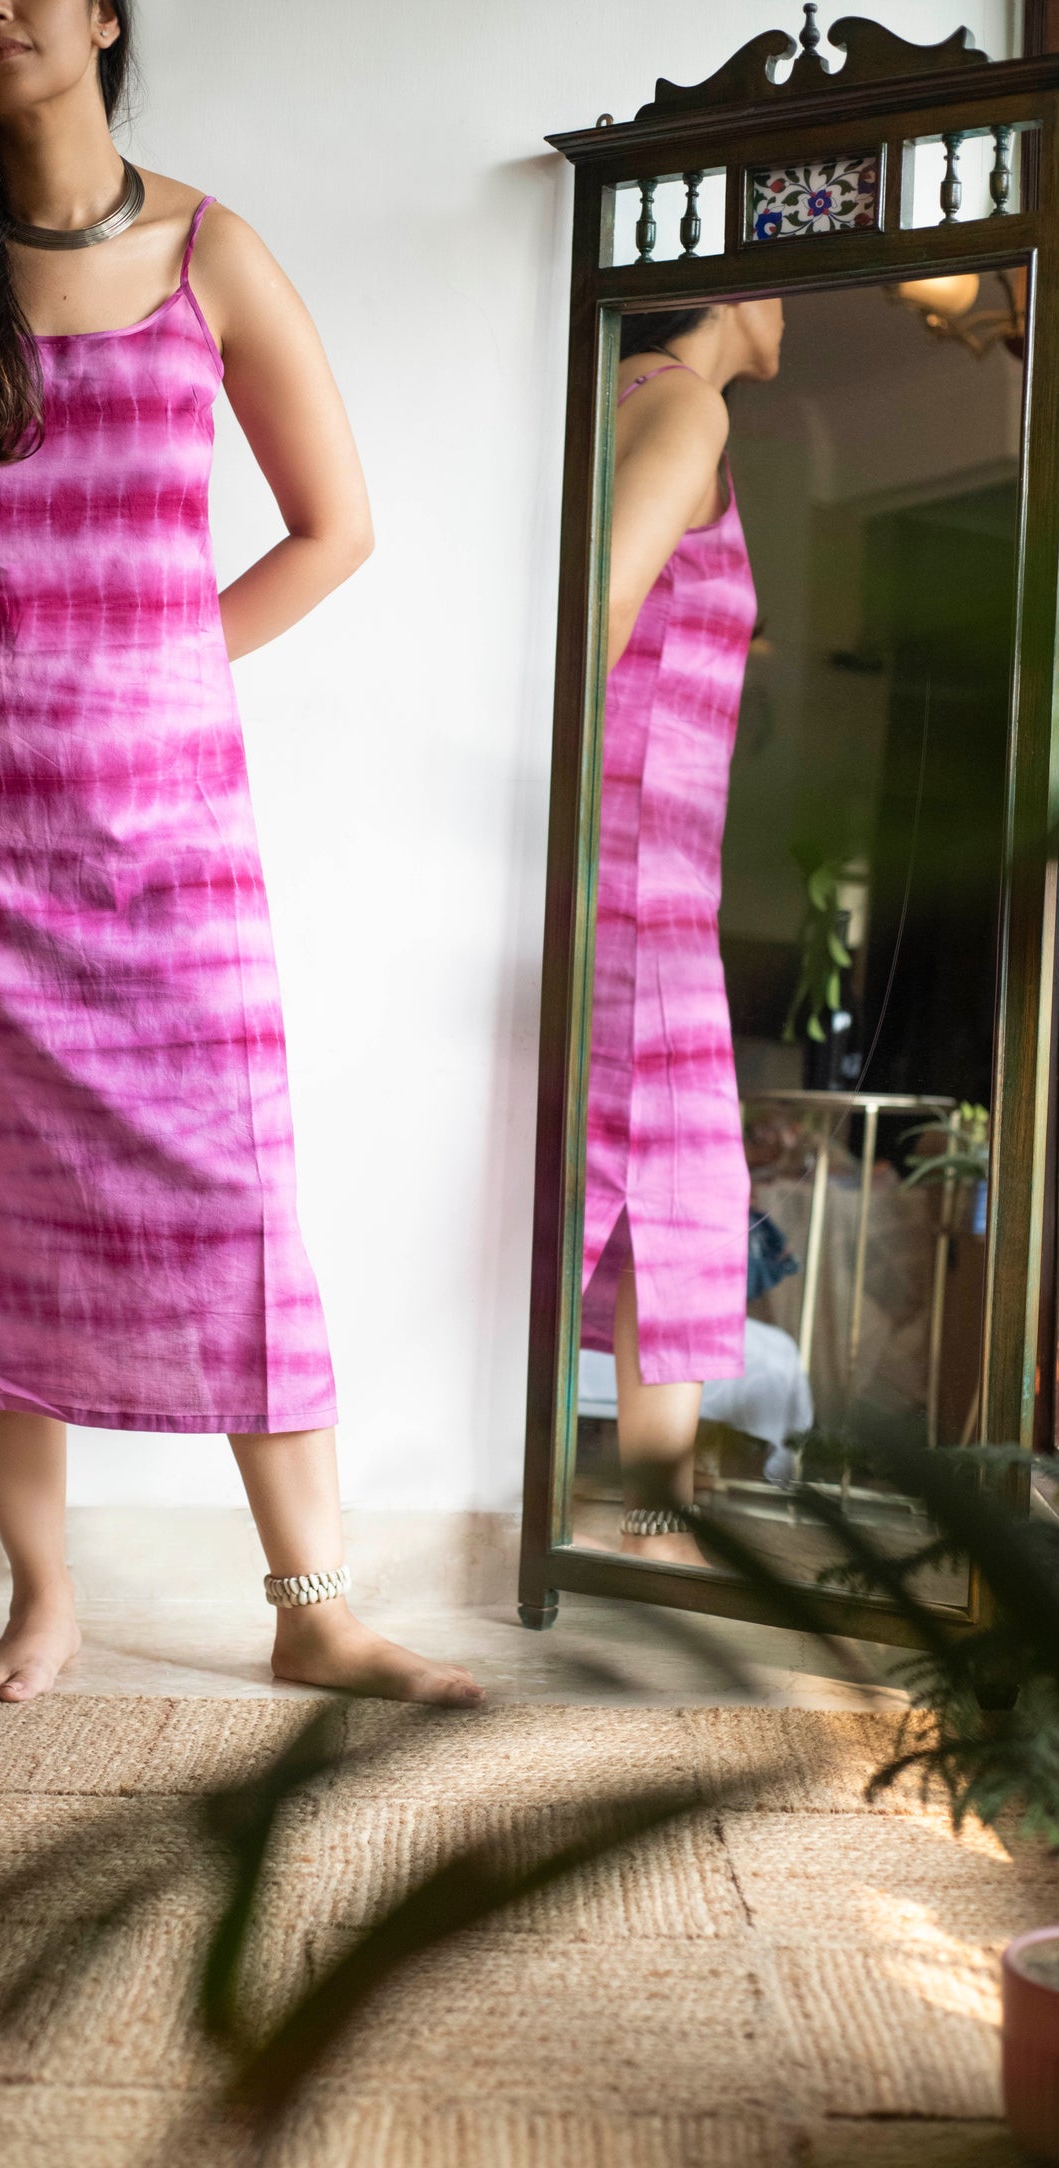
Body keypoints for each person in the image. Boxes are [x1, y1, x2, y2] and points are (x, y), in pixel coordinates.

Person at [0, 0, 482, 1709]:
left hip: (166, 831)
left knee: (235, 1189)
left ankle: (315, 1605)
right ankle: (42, 1595)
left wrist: (158, 660)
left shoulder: (213, 251)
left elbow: (335, 523)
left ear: (105, 16)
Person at [580, 298, 784, 1569]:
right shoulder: (682, 401)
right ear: (731, 287)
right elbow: (596, 612)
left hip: (636, 868)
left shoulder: (627, 399)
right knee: (685, 1189)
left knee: (652, 1187)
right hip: (638, 876)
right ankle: (654, 1525)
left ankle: (651, 1515)